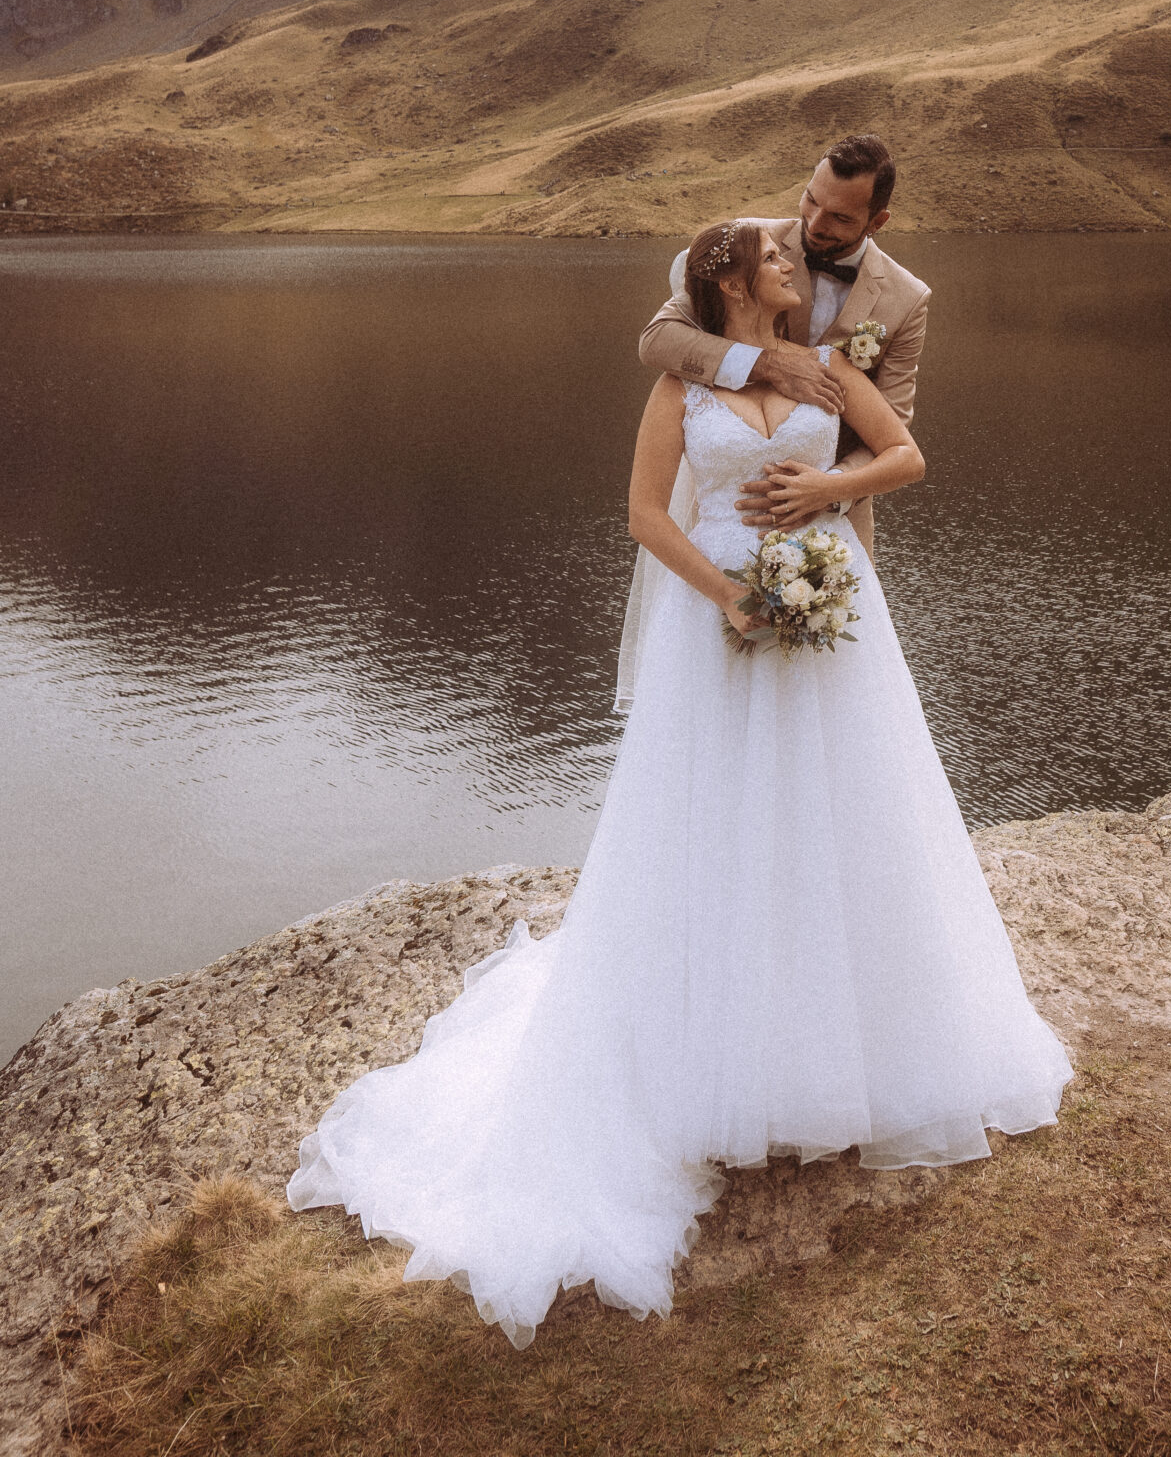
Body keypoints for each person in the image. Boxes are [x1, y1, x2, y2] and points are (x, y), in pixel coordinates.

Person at [287, 221, 1069, 1347]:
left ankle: (863, 1045)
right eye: (776, 258)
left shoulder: (831, 367)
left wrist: (829, 492)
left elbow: (910, 459)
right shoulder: (679, 383)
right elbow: (646, 514)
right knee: (714, 834)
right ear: (728, 279)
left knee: (846, 822)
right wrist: (732, 597)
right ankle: (714, 1050)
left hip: (838, 621)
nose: (797, 266)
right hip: (722, 633)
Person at [637, 132, 929, 562]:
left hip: (834, 527)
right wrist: (767, 364)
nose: (814, 224)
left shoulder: (908, 298)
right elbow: (658, 339)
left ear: (877, 222)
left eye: (840, 218)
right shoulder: (749, 243)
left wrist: (828, 490)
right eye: (811, 200)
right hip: (730, 513)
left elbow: (896, 425)